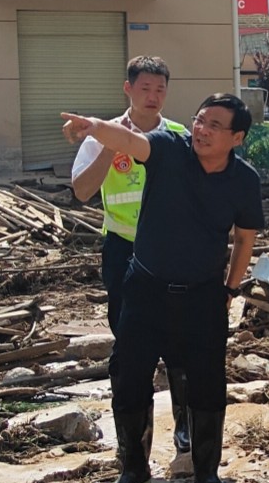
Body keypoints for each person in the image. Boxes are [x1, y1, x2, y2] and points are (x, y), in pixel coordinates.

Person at [61, 94, 264, 483]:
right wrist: (95, 127)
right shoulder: (170, 149)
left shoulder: (244, 179)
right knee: (129, 376)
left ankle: (206, 474)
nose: (202, 130)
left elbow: (244, 239)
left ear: (237, 137)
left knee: (207, 383)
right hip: (146, 289)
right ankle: (133, 470)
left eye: (214, 125)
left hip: (203, 295)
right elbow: (130, 141)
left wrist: (229, 289)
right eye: (199, 120)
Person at [69, 56, 193, 454]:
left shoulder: (178, 136)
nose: (153, 97)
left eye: (160, 89)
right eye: (145, 89)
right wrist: (111, 146)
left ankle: (186, 426)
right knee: (130, 344)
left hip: (170, 249)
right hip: (124, 249)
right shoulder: (101, 134)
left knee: (179, 338)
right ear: (128, 89)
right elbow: (82, 191)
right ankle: (134, 444)